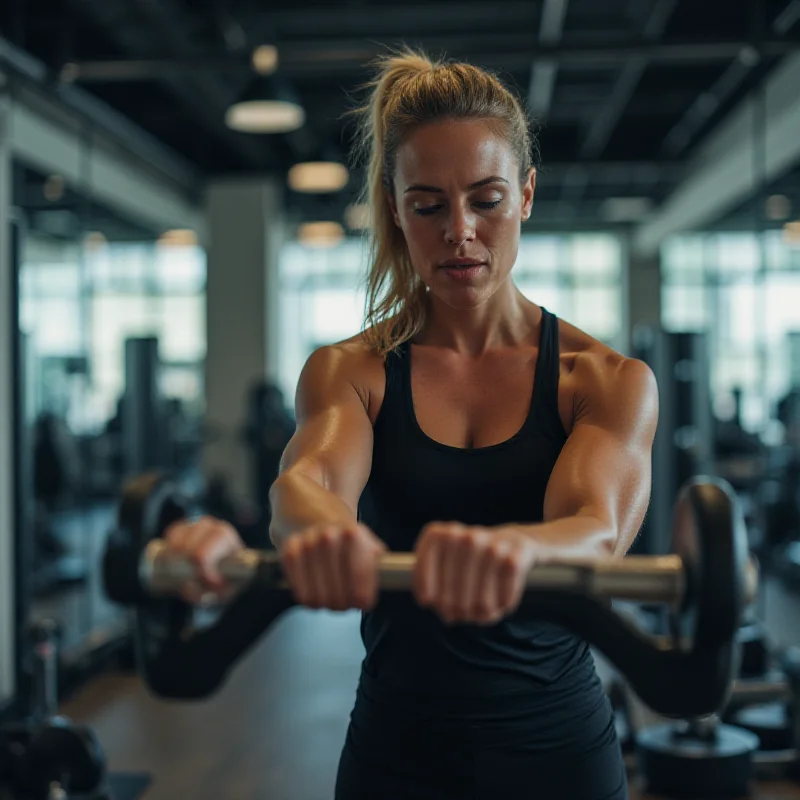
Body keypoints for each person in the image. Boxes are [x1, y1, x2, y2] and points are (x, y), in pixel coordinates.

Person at [164, 49, 658, 799]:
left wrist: (507, 551)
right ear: (395, 208)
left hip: (559, 754)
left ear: (526, 195)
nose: (459, 231)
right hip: (395, 753)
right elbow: (309, 482)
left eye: (486, 200)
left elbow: (596, 527)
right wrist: (320, 532)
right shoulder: (350, 371)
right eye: (427, 205)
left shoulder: (604, 381)